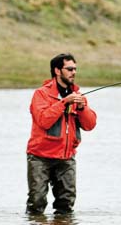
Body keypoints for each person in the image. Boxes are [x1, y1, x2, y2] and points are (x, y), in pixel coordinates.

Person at [26, 53, 97, 215]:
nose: (74, 73)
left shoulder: (78, 96)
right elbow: (44, 120)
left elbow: (90, 125)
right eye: (70, 69)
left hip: (66, 158)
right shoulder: (41, 94)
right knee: (36, 202)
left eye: (75, 69)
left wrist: (81, 108)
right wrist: (64, 102)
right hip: (40, 157)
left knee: (66, 205)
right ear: (57, 71)